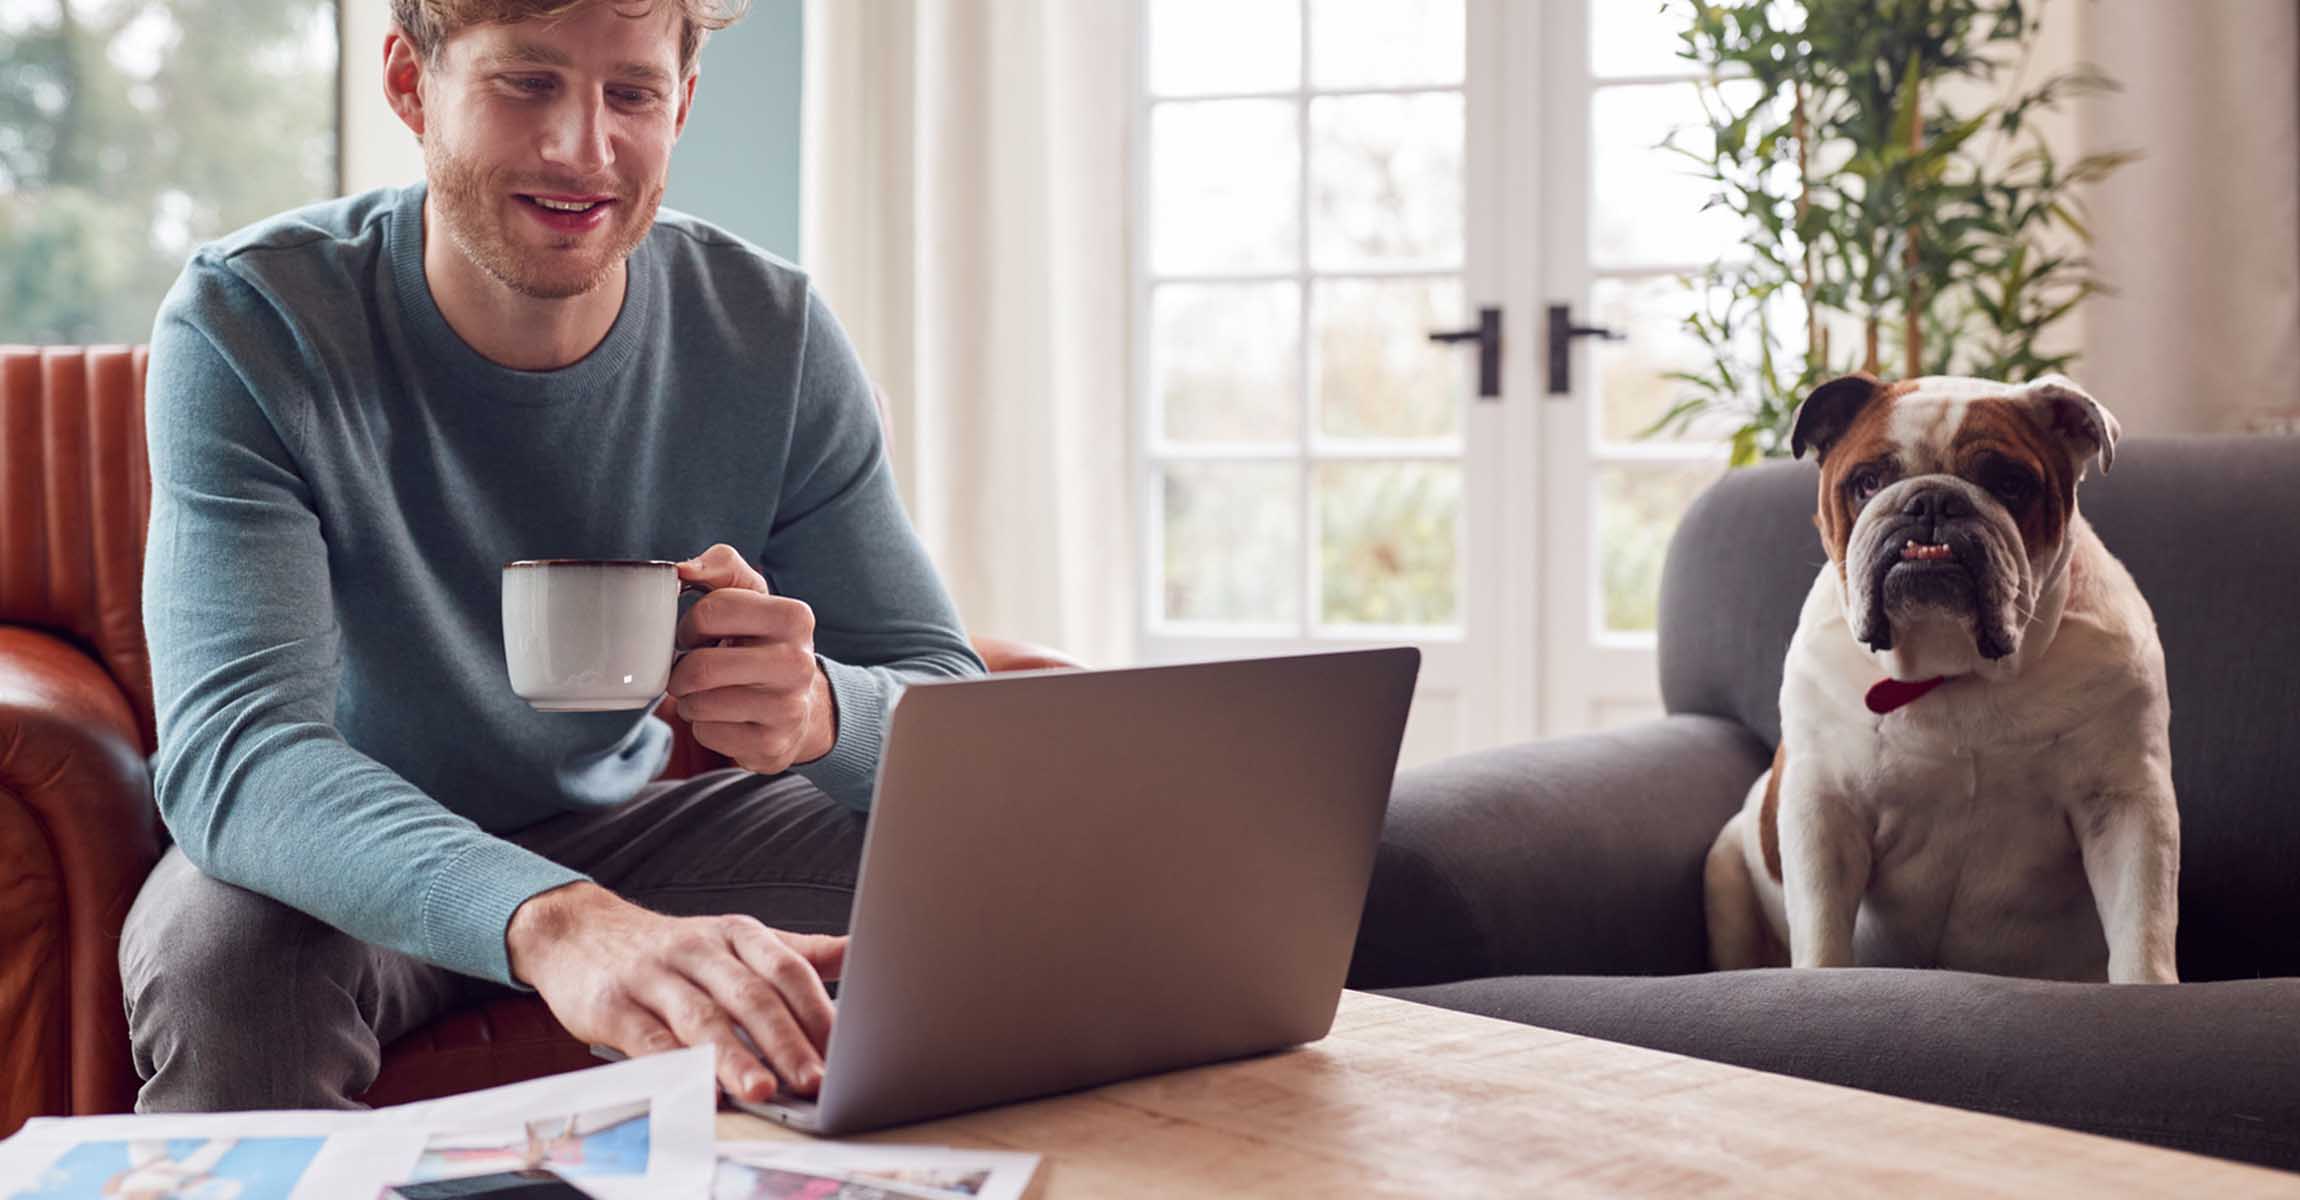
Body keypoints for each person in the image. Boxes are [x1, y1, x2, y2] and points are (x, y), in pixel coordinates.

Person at [120, 0, 982, 1113]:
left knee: (997, 872)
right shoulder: (254, 321)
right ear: (407, 83)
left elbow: (948, 721)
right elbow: (238, 750)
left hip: (632, 833)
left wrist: (817, 709)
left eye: (629, 93)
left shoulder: (771, 333)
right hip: (332, 856)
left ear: (681, 102)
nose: (585, 148)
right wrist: (562, 923)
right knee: (225, 968)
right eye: (526, 84)